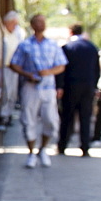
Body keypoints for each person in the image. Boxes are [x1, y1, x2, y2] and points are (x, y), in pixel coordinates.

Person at [10, 14, 68, 168]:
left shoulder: (53, 45)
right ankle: (31, 153)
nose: (40, 24)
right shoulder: (25, 45)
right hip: (30, 87)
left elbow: (61, 65)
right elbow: (14, 64)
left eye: (42, 22)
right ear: (32, 25)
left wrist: (48, 72)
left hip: (48, 88)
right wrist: (27, 74)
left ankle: (42, 149)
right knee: (28, 120)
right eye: (37, 22)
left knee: (51, 120)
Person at [57, 23, 101, 156]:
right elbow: (97, 70)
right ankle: (85, 146)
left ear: (71, 32)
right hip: (88, 87)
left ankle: (62, 145)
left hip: (70, 87)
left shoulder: (67, 48)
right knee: (85, 117)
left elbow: (61, 69)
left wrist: (59, 86)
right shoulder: (92, 48)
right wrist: (94, 86)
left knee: (67, 117)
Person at [0, 10, 27, 127]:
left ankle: (8, 114)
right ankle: (3, 115)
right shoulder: (1, 32)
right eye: (13, 23)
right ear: (7, 22)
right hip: (3, 67)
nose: (15, 26)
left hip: (15, 68)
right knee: (5, 91)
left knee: (12, 93)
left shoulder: (18, 33)